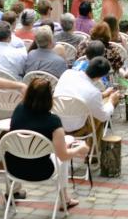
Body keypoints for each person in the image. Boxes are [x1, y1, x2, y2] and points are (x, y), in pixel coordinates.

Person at [7, 78, 89, 209]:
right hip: (42, 170)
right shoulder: (53, 122)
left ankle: (12, 192)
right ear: (50, 98)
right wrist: (79, 149)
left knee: (64, 145)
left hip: (13, 167)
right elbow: (63, 156)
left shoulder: (18, 110)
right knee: (64, 153)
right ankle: (64, 199)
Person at [54, 57, 120, 147]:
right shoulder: (93, 92)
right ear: (100, 77)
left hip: (56, 124)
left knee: (94, 108)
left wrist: (103, 94)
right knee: (98, 116)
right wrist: (111, 101)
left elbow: (78, 94)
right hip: (77, 129)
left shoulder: (67, 73)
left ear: (88, 64)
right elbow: (103, 116)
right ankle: (93, 156)